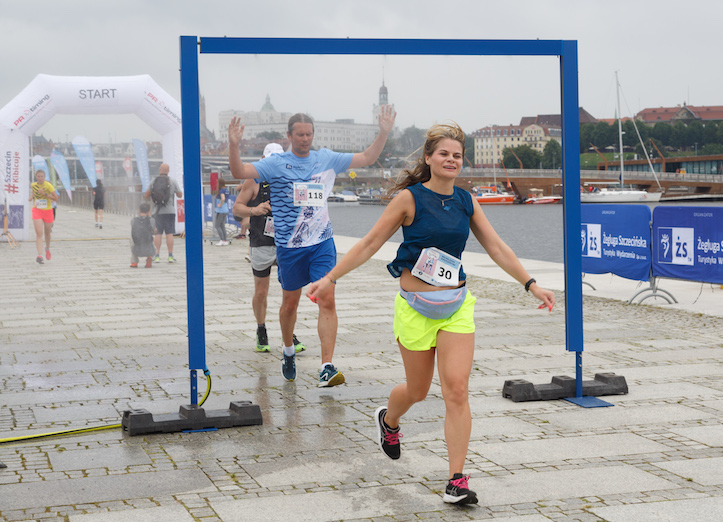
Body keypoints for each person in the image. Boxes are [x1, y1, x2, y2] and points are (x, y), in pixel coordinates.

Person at [306, 122, 555, 505]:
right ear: (429, 157)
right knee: (418, 391)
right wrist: (329, 278)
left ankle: (456, 480)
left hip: (456, 308)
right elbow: (370, 243)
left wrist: (531, 283)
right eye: (444, 154)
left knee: (456, 390)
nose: (451, 160)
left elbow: (497, 247)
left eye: (457, 155)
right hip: (415, 309)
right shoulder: (409, 199)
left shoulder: (466, 201)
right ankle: (389, 420)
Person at [228, 106, 396, 386]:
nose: (305, 139)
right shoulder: (276, 163)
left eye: (309, 134)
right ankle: (288, 350)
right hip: (290, 247)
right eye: (300, 135)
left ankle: (326, 366)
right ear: (289, 136)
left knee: (326, 299)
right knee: (289, 304)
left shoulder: (326, 158)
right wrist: (234, 145)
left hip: (321, 243)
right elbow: (238, 171)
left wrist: (383, 132)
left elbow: (367, 157)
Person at [233, 143, 306, 363]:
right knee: (261, 291)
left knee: (290, 294)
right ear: (263, 160)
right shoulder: (253, 181)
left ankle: (288, 335)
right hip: (261, 241)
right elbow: (237, 208)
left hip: (286, 242)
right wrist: (254, 210)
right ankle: (261, 329)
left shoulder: (291, 179)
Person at [145, 163, 183, 263]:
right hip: (169, 212)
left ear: (160, 170)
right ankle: (170, 256)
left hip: (157, 212)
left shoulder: (154, 181)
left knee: (158, 234)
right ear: (168, 170)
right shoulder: (172, 181)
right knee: (169, 234)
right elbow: (180, 195)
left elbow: (146, 195)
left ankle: (157, 256)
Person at [29, 169, 59, 264]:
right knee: (39, 233)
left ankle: (47, 248)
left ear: (44, 177)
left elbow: (56, 198)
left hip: (48, 211)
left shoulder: (48, 185)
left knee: (47, 233)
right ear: (36, 177)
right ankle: (40, 255)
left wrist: (45, 194)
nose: (40, 178)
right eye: (38, 176)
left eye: (42, 176)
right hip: (37, 210)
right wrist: (31, 197)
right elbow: (34, 192)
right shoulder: (33, 185)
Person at [130, 202, 156, 268]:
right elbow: (154, 231)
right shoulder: (151, 220)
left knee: (131, 241)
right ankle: (149, 257)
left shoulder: (133, 220)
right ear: (149, 212)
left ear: (138, 211)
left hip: (137, 242)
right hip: (147, 242)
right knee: (153, 239)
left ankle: (134, 262)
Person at [214, 178, 231, 246]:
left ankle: (222, 240)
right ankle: (225, 240)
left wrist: (220, 205)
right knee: (222, 225)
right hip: (225, 209)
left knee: (217, 225)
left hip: (221, 210)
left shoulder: (221, 191)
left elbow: (223, 198)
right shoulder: (226, 190)